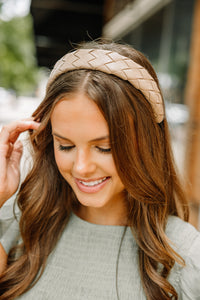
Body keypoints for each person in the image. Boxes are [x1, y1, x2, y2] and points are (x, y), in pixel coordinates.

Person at [0, 40, 200, 300]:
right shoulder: (19, 222)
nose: (82, 168)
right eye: (66, 146)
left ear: (147, 143)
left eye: (104, 148)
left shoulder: (186, 254)